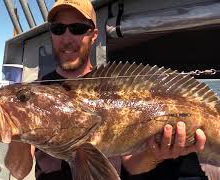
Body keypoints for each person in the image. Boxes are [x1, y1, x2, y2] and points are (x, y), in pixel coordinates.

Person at [34, 0, 208, 179]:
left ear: (94, 35)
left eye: (77, 28)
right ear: (51, 35)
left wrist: (155, 154)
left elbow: (132, 165)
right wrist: (13, 131)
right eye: (58, 29)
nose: (67, 38)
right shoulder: (38, 91)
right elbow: (18, 170)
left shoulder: (111, 85)